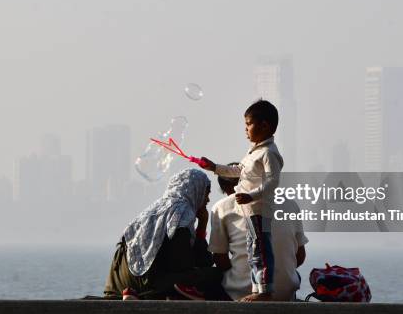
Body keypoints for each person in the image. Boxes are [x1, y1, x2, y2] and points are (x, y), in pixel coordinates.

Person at [201, 99, 283, 302]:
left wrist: (251, 195)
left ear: (264, 126)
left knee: (261, 250)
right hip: (250, 210)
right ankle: (258, 288)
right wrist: (215, 167)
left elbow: (273, 181)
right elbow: (237, 171)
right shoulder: (253, 152)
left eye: (248, 124)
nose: (245, 129)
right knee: (253, 249)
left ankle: (264, 291)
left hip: (259, 208)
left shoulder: (268, 153)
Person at [104, 168, 221, 300]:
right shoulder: (182, 213)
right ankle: (144, 295)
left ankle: (133, 294)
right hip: (149, 285)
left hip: (117, 287)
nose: (207, 200)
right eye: (206, 194)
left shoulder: (151, 211)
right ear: (196, 191)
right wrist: (202, 225)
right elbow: (187, 264)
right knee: (216, 274)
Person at [210, 167, 308, 301]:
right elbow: (300, 256)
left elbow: (221, 260)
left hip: (242, 294)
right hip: (285, 293)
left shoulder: (222, 207)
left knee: (211, 278)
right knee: (291, 273)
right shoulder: (291, 204)